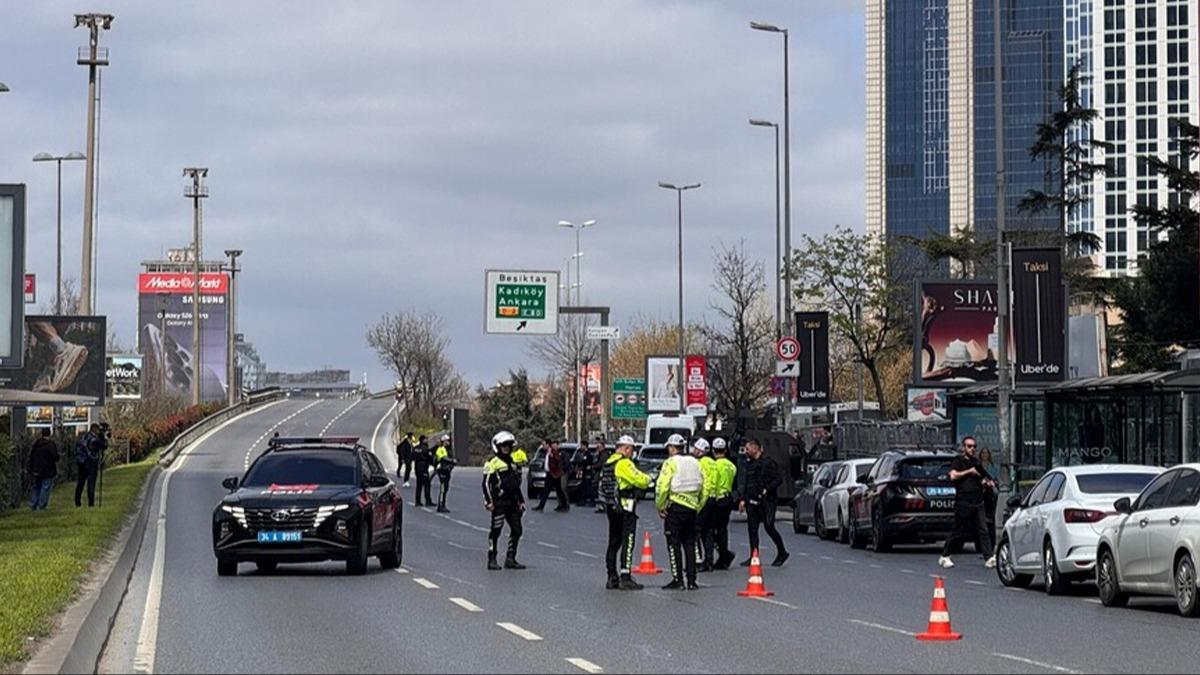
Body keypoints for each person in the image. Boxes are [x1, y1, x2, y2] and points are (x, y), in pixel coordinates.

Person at [601, 435, 653, 590]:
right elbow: (640, 480)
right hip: (625, 507)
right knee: (628, 542)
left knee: (613, 543)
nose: (633, 453)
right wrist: (649, 478)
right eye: (632, 449)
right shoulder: (623, 463)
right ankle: (625, 577)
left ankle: (611, 577)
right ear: (626, 448)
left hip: (611, 506)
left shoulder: (609, 462)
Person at [655, 433, 706, 591]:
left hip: (675, 508)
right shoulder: (695, 462)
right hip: (691, 509)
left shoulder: (670, 463)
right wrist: (698, 506)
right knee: (689, 545)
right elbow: (705, 487)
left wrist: (660, 505)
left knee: (673, 544)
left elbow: (662, 486)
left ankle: (678, 580)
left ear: (671, 448)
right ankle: (692, 581)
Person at [939, 436, 997, 569]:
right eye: (969, 446)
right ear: (964, 448)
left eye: (974, 446)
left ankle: (988, 557)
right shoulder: (958, 461)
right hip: (963, 501)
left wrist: (989, 483)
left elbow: (985, 476)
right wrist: (968, 472)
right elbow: (953, 475)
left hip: (977, 501)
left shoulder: (976, 462)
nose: (972, 449)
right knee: (958, 530)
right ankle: (945, 555)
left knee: (983, 529)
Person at [739, 438, 789, 567]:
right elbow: (747, 484)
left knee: (769, 526)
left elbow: (778, 479)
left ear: (755, 448)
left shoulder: (768, 463)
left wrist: (767, 489)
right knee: (752, 529)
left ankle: (782, 552)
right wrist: (743, 500)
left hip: (768, 501)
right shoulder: (749, 464)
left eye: (748, 448)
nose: (746, 451)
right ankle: (753, 556)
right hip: (752, 500)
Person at [482, 431, 526, 570]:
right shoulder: (492, 463)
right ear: (497, 447)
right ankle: (492, 558)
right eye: (503, 446)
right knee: (496, 531)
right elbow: (485, 484)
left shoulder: (512, 463)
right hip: (499, 503)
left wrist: (521, 500)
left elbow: (515, 484)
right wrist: (489, 501)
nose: (506, 448)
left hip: (512, 503)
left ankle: (511, 558)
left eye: (508, 445)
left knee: (517, 530)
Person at [707, 438, 738, 570]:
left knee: (709, 529)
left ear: (713, 451)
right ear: (725, 450)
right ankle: (724, 556)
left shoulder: (714, 466)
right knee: (722, 529)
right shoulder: (732, 466)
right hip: (728, 499)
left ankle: (719, 556)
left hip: (717, 499)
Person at [691, 438, 715, 572]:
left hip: (703, 499)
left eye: (695, 449)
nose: (694, 451)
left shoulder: (698, 463)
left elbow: (700, 482)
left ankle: (698, 561)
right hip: (714, 500)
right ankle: (709, 561)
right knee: (709, 532)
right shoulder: (713, 463)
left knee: (696, 531)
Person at [74, 423, 108, 508]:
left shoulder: (84, 437)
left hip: (82, 462)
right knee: (91, 483)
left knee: (80, 483)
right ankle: (91, 503)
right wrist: (104, 437)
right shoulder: (94, 439)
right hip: (91, 463)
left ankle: (77, 501)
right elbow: (104, 446)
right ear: (95, 430)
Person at [27, 428, 59, 511]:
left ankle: (33, 503)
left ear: (42, 434)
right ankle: (41, 505)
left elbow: (31, 456)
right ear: (49, 434)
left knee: (37, 486)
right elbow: (55, 456)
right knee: (45, 487)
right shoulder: (51, 445)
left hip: (36, 469)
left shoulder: (36, 444)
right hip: (48, 470)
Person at [534, 440, 569, 512]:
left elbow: (558, 459)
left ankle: (564, 506)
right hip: (549, 474)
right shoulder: (547, 452)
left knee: (558, 491)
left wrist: (552, 455)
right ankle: (541, 506)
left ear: (548, 445)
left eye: (544, 445)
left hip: (554, 474)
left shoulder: (553, 451)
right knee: (546, 491)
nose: (543, 446)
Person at [434, 434, 456, 513]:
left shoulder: (448, 450)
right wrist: (451, 461)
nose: (448, 442)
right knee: (443, 489)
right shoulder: (440, 449)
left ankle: (443, 504)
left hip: (447, 471)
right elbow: (442, 458)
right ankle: (440, 506)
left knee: (446, 488)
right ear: (443, 442)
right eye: (447, 441)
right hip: (442, 470)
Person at [412, 434, 434, 507]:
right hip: (424, 468)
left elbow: (412, 456)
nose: (427, 441)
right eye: (426, 439)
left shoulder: (415, 448)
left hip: (417, 468)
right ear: (423, 440)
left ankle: (417, 501)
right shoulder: (425, 449)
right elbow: (430, 458)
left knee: (419, 485)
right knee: (427, 484)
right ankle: (428, 500)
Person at [593, 439, 613, 514]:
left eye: (599, 447)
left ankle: (603, 506)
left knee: (601, 491)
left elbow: (601, 464)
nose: (598, 448)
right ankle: (603, 505)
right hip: (602, 474)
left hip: (602, 474)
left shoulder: (604, 454)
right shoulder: (601, 454)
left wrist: (594, 466)